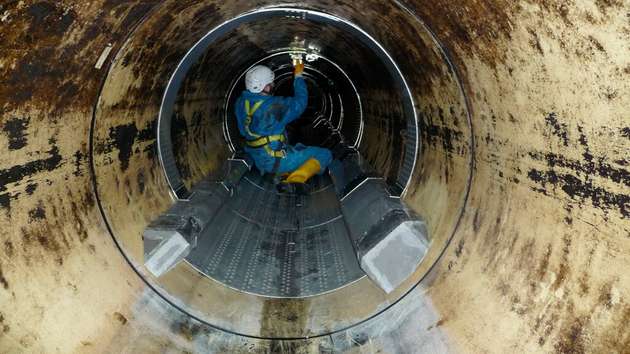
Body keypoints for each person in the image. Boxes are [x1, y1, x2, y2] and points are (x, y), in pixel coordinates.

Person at [234, 63, 332, 184]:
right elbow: (300, 103)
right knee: (324, 154)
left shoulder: (240, 103)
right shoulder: (274, 106)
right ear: (264, 86)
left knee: (299, 147)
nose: (273, 85)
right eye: (270, 83)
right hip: (274, 160)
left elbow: (243, 131)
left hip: (256, 156)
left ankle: (284, 172)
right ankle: (295, 181)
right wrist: (298, 77)